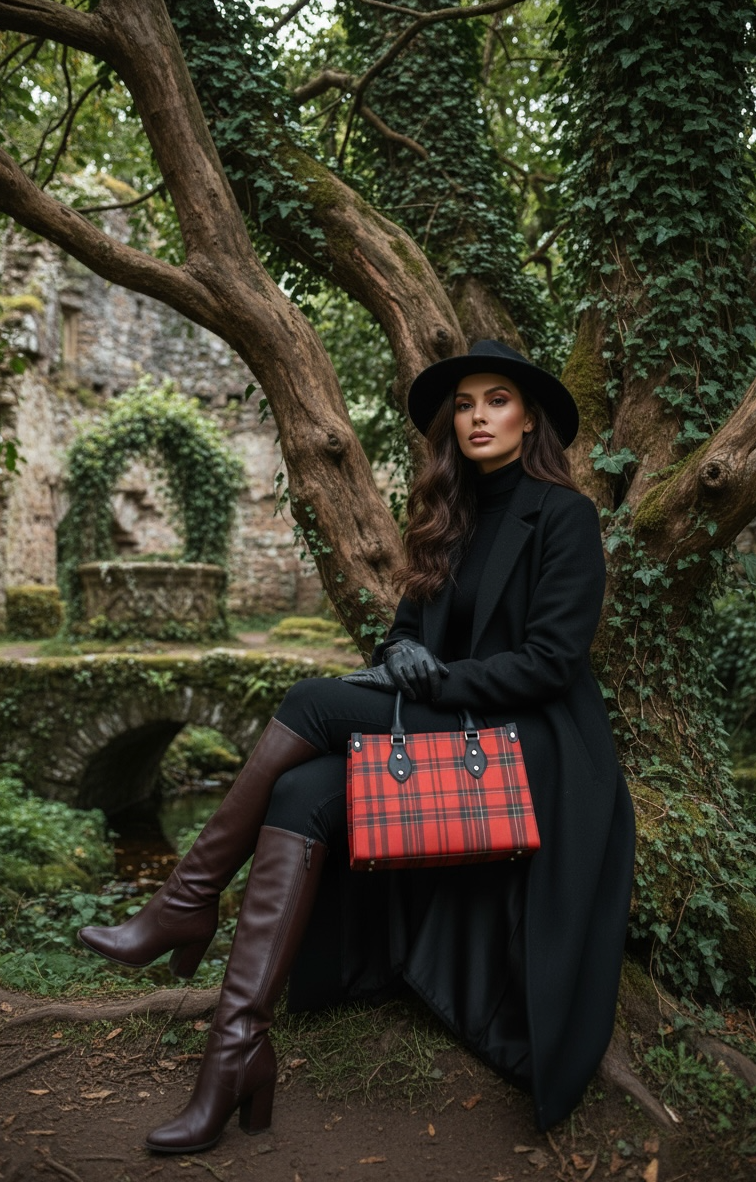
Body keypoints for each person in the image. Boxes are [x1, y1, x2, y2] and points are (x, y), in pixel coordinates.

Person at [78, 339, 635, 1155]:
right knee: (303, 795)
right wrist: (399, 655)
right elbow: (410, 635)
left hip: (538, 744)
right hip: (458, 722)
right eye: (466, 404)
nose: (478, 417)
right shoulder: (449, 514)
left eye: (498, 400)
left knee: (310, 698)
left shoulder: (564, 515)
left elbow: (552, 662)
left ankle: (186, 900)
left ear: (529, 419)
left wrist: (430, 681)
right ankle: (234, 1052)